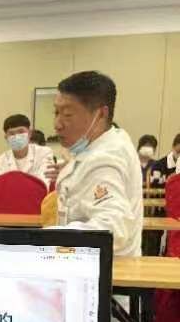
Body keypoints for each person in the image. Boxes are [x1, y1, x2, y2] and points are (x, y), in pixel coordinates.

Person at [54, 71, 142, 256]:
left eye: (67, 114)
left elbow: (112, 226)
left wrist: (49, 239)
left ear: (101, 114)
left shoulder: (105, 157)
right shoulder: (112, 140)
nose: (57, 124)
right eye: (56, 112)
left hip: (106, 269)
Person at [0, 114, 53, 186]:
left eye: (21, 132)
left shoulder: (44, 153)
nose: (17, 137)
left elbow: (42, 184)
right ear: (6, 137)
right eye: (11, 133)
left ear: (29, 133)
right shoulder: (0, 160)